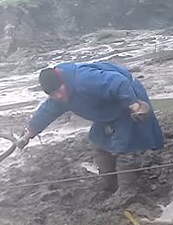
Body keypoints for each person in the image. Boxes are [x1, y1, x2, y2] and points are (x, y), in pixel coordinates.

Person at [17, 61, 164, 198]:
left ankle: (126, 190)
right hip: (104, 110)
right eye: (53, 94)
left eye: (59, 90)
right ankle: (109, 184)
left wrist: (134, 105)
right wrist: (28, 134)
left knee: (125, 146)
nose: (59, 95)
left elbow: (119, 82)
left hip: (126, 99)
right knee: (99, 142)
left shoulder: (84, 79)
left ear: (63, 82)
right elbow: (46, 112)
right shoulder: (59, 96)